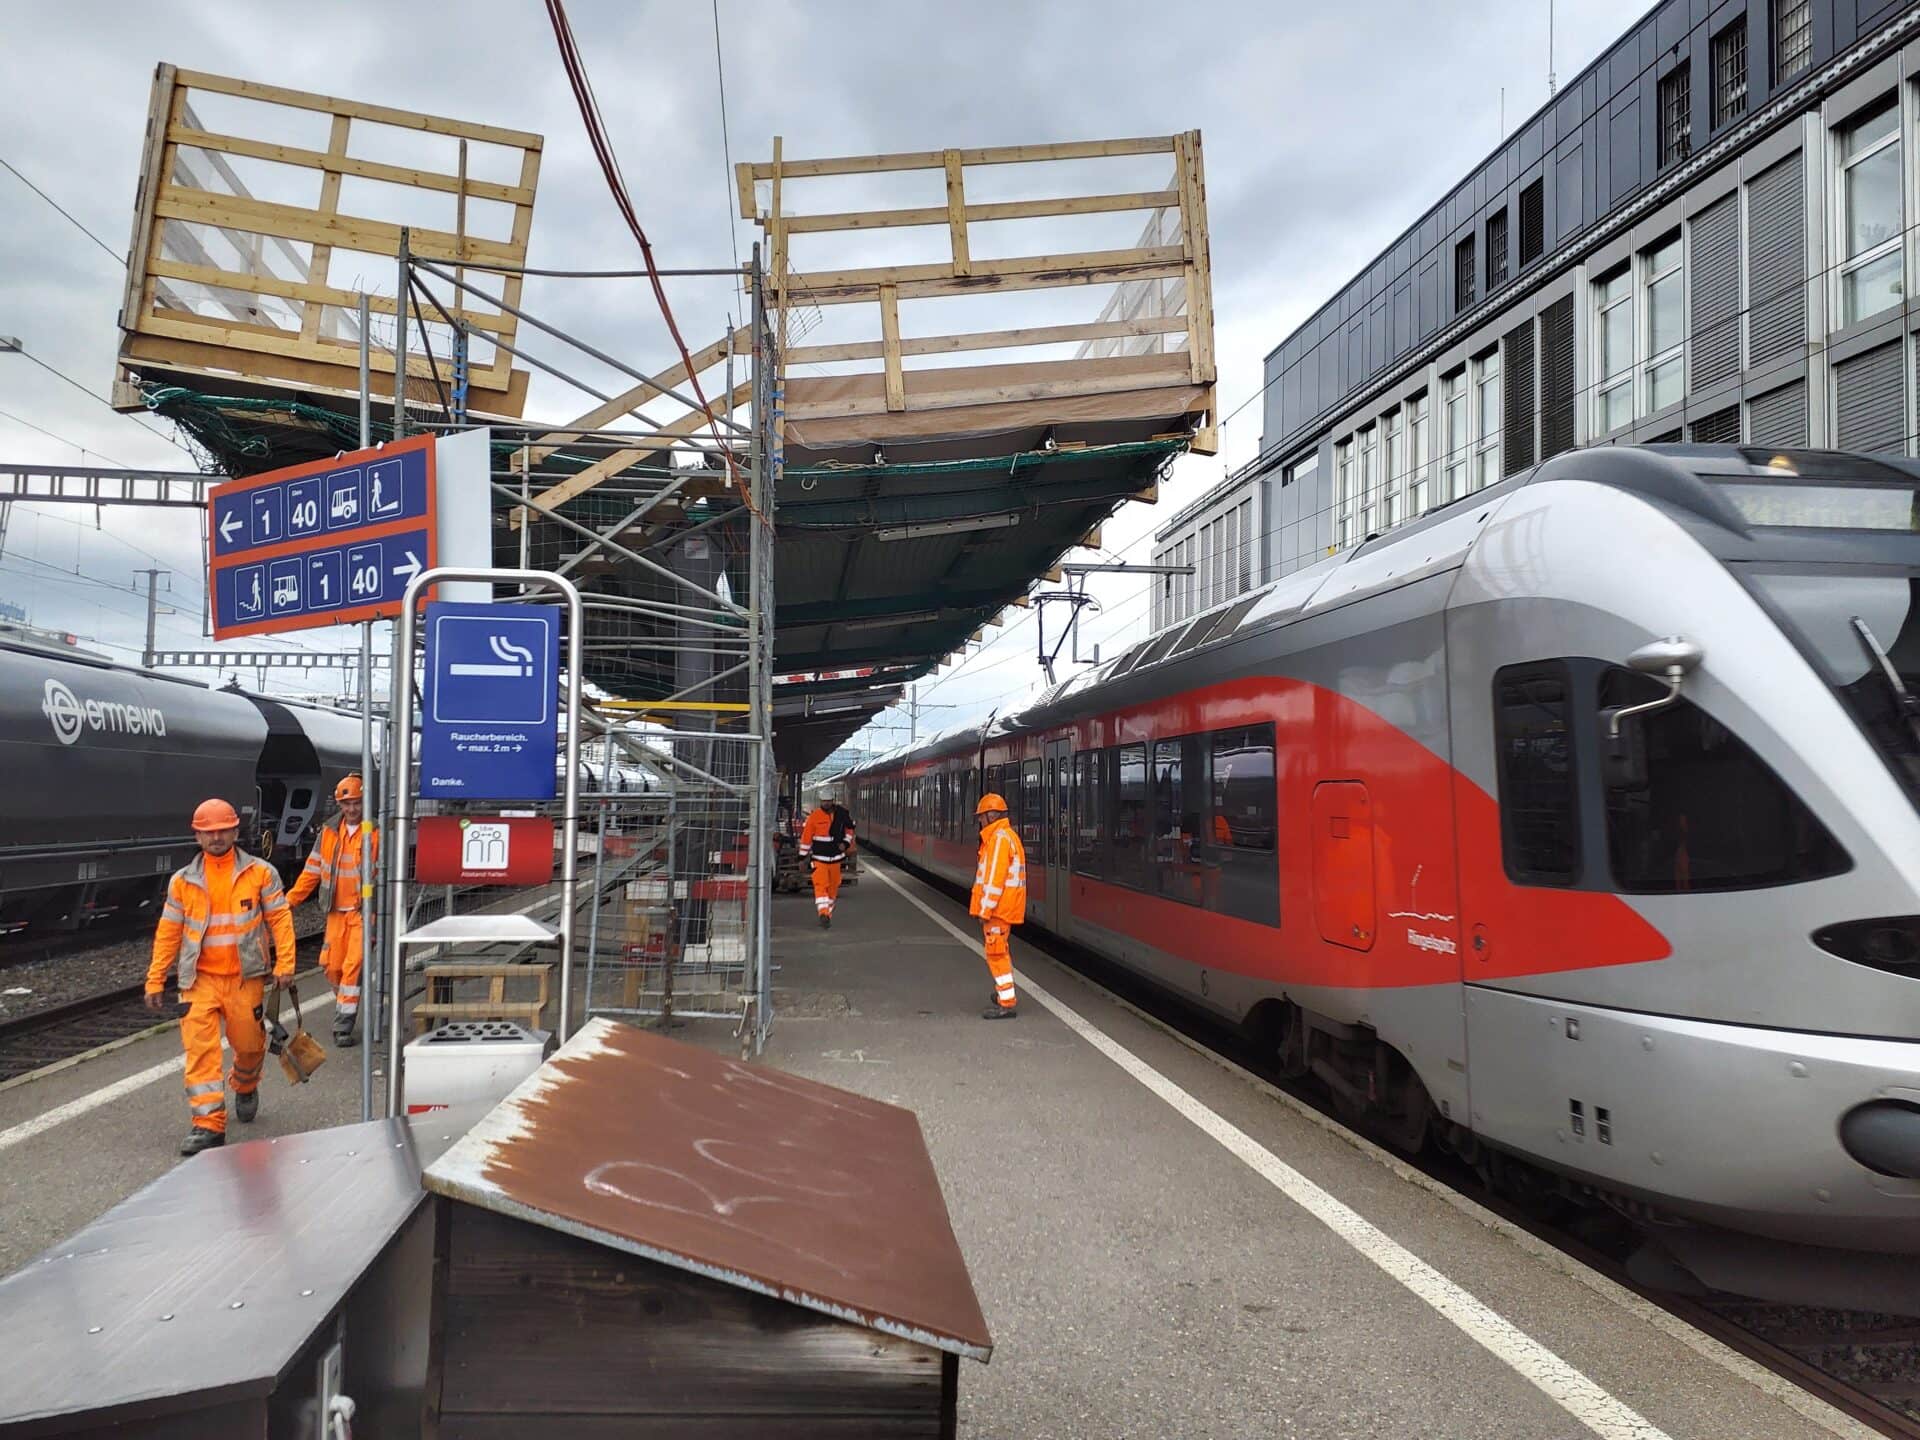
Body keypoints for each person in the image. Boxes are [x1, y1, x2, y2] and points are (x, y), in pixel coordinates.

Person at [145, 798, 297, 1156]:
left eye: (223, 830)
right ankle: (208, 1125)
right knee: (201, 1052)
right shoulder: (182, 882)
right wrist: (155, 978)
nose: (216, 837)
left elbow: (279, 918)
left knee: (249, 1046)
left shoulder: (260, 873)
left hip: (245, 979)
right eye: (208, 832)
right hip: (198, 982)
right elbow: (168, 932)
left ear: (235, 831)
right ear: (197, 836)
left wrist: (286, 963)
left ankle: (245, 1084)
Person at [287, 775, 377, 1047]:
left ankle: (342, 1026)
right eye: (347, 804)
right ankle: (345, 1006)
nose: (352, 809)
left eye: (357, 803)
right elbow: (312, 871)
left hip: (363, 913)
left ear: (365, 802)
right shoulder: (328, 833)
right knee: (331, 967)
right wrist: (289, 901)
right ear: (339, 804)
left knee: (352, 967)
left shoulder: (376, 833)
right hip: (336, 912)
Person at [969, 792, 1026, 1020]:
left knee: (996, 953)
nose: (980, 821)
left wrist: (985, 909)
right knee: (999, 951)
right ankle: (1004, 994)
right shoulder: (1007, 836)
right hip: (1005, 907)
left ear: (991, 816)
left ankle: (1006, 1003)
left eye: (981, 817)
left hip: (998, 910)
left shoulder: (999, 840)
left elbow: (994, 879)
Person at [798, 795, 855, 927]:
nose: (826, 803)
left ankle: (827, 914)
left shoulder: (841, 815)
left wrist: (846, 843)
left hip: (836, 860)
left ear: (832, 801)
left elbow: (849, 830)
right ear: (820, 801)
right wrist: (802, 858)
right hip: (819, 859)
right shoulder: (814, 817)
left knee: (832, 889)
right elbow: (806, 838)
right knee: (820, 885)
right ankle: (823, 913)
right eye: (824, 801)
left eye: (828, 801)